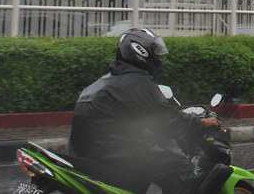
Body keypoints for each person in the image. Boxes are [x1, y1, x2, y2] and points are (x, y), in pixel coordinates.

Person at [69, 28, 231, 194]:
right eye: (154, 51)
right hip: (113, 151)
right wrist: (200, 123)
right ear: (140, 51)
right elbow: (166, 121)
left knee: (149, 156)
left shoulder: (107, 81)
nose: (157, 57)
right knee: (179, 168)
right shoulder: (137, 81)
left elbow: (142, 119)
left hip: (90, 155)